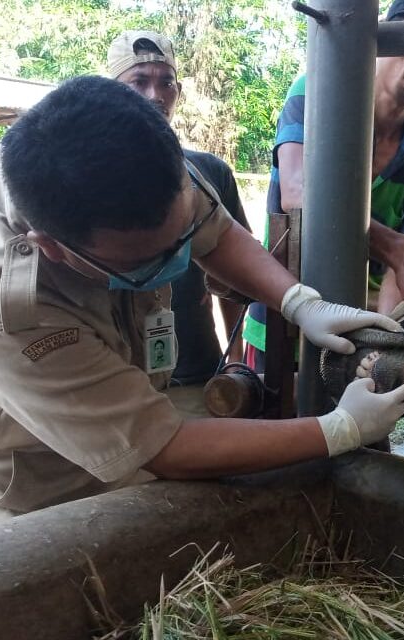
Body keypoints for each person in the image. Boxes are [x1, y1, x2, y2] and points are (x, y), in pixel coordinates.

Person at [0, 76, 404, 530]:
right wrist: (338, 430)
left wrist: (299, 301)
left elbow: (215, 232)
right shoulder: (6, 314)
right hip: (33, 468)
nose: (179, 260)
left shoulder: (142, 166)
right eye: (146, 262)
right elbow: (163, 445)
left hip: (125, 400)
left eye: (180, 238)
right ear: (54, 248)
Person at [242, 0, 404, 372]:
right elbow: (299, 195)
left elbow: (402, 276)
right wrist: (398, 248)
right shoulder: (313, 94)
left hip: (359, 333)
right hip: (281, 315)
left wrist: (385, 345)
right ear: (383, 34)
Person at [108, 31, 248, 407]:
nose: (155, 95)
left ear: (178, 91)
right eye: (139, 81)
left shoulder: (209, 173)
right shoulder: (92, 175)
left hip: (199, 369)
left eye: (165, 82)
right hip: (119, 377)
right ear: (112, 91)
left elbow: (236, 273)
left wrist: (234, 359)